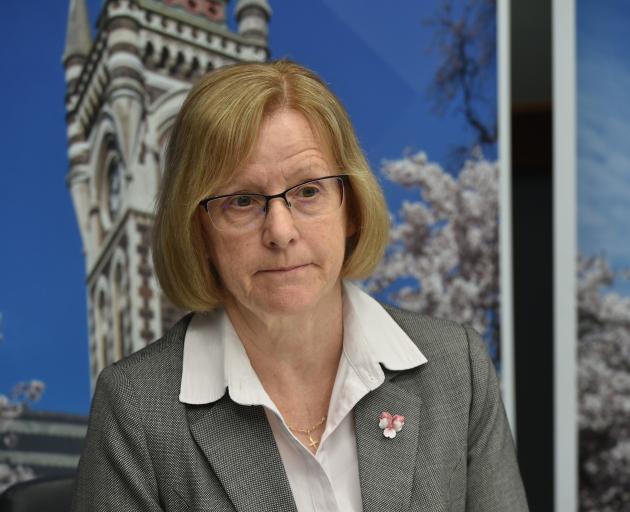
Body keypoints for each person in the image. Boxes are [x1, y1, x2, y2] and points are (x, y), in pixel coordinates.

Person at [71, 60, 529, 511]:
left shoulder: (455, 370)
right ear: (198, 232)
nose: (280, 231)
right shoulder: (136, 409)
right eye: (242, 201)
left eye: (308, 191)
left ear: (351, 208)